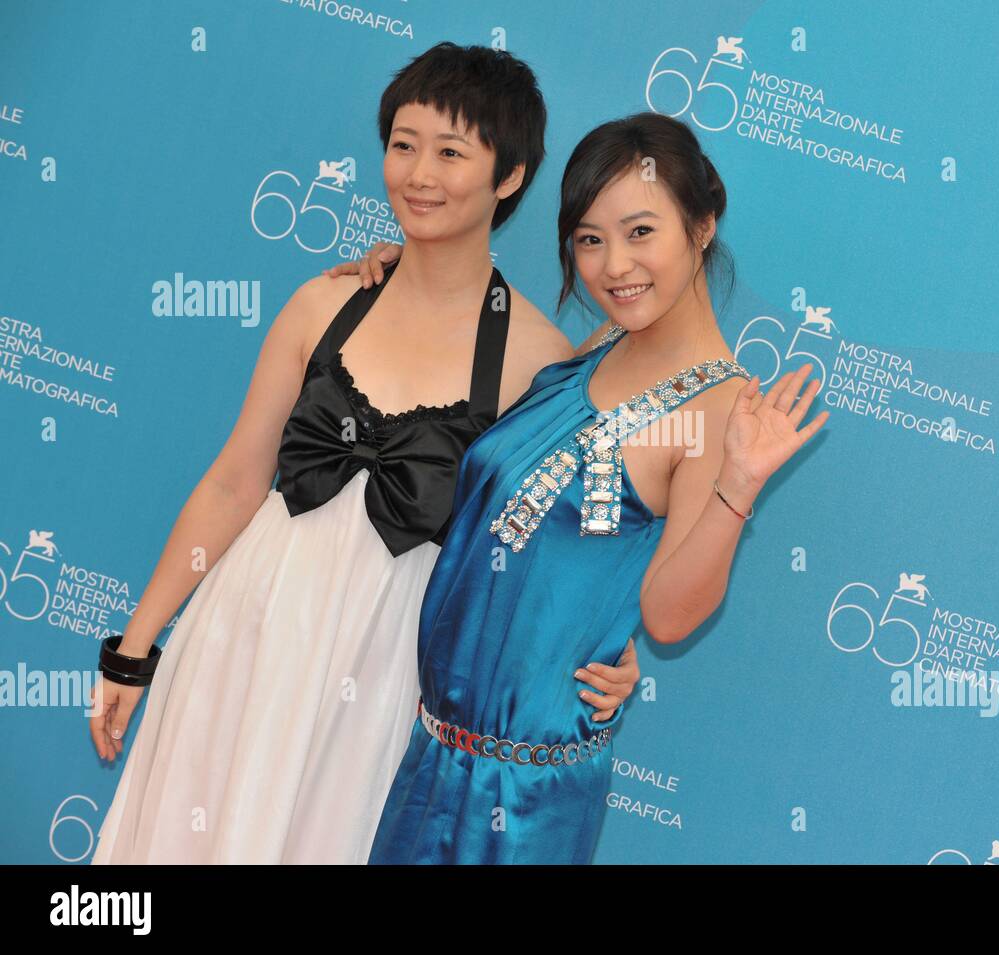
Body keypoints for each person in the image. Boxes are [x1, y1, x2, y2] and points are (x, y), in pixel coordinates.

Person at [88, 42, 640, 865]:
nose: (419, 174)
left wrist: (617, 650)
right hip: (249, 627)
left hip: (388, 666)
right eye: (403, 145)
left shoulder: (537, 360)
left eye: (451, 152)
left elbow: (553, 554)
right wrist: (134, 648)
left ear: (510, 176)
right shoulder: (324, 302)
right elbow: (234, 482)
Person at [343, 111, 830, 864]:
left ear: (702, 226)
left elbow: (669, 615)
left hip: (524, 794)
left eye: (641, 232)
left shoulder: (718, 411)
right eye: (590, 239)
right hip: (435, 752)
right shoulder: (600, 346)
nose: (613, 265)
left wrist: (737, 488)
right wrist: (405, 268)